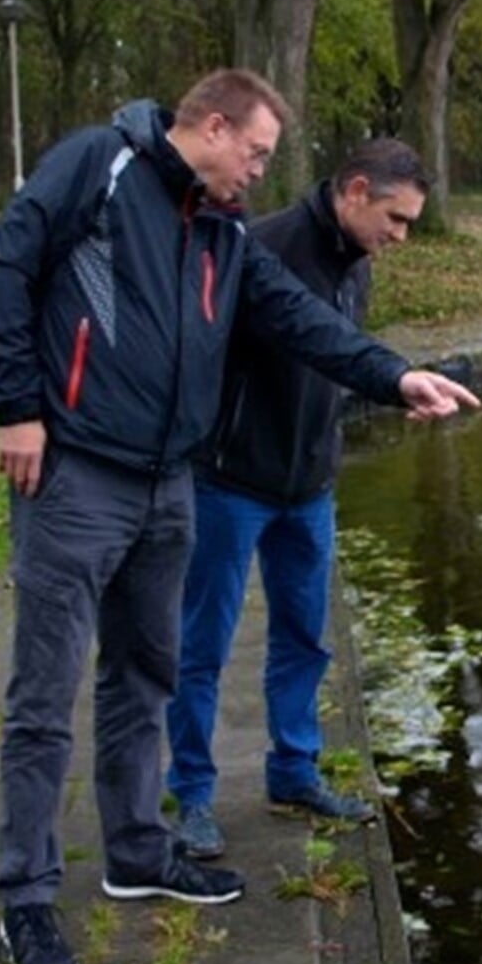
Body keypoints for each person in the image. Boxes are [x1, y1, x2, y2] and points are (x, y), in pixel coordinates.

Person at [0, 71, 477, 964]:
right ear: (212, 127)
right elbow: (4, 266)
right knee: (44, 695)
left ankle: (134, 852)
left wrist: (394, 376)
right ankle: (28, 900)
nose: (259, 171)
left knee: (146, 674)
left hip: (171, 484)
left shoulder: (222, 229)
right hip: (77, 470)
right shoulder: (98, 164)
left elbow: (294, 318)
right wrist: (16, 406)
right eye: (256, 152)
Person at [165, 138, 429, 860]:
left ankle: (293, 771)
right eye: (394, 218)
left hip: (309, 485)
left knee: (305, 638)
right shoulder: (262, 245)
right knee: (202, 645)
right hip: (230, 480)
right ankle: (191, 796)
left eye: (408, 224)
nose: (398, 237)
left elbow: (335, 355)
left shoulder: (355, 262)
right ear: (352, 190)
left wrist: (384, 393)